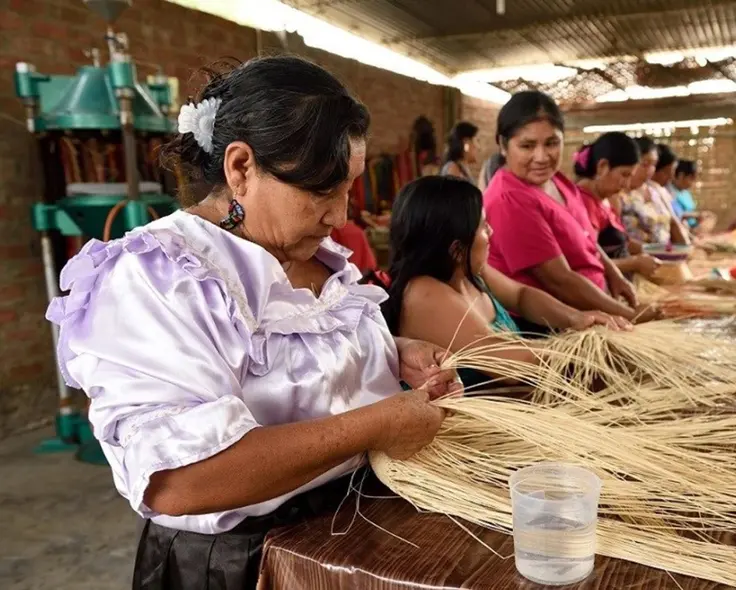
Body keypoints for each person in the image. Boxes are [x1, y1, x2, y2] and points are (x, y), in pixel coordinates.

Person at [44, 56, 461, 589]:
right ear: (240, 168)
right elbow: (180, 480)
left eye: (348, 189)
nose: (341, 215)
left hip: (352, 529)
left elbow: (284, 355)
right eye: (322, 190)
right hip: (248, 562)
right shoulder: (161, 278)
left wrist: (386, 351)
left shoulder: (311, 253)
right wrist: (378, 423)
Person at [383, 176, 630, 390]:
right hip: (467, 430)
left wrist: (575, 318)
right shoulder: (424, 294)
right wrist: (587, 350)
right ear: (457, 249)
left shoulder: (468, 273)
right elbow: (508, 364)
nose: (490, 232)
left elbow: (522, 296)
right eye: (482, 226)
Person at [483, 90, 660, 327]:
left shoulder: (557, 181)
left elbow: (584, 237)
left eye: (552, 143)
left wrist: (613, 273)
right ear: (504, 146)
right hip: (553, 327)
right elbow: (560, 281)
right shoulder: (509, 199)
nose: (542, 157)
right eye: (527, 146)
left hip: (596, 312)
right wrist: (630, 316)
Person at [573, 134, 663, 280]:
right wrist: (633, 263)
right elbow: (585, 264)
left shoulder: (606, 200)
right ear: (602, 167)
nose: (626, 185)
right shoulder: (581, 203)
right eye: (624, 175)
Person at [621, 137, 691, 246]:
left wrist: (686, 250)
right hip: (639, 259)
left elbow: (674, 224)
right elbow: (620, 241)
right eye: (644, 164)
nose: (649, 170)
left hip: (666, 256)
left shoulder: (657, 190)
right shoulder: (619, 195)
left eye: (653, 164)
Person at [670, 159, 715, 233]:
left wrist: (700, 216)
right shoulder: (669, 192)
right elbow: (676, 215)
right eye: (691, 179)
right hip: (682, 228)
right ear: (681, 176)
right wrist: (696, 215)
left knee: (710, 217)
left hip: (693, 225)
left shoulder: (685, 192)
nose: (693, 183)